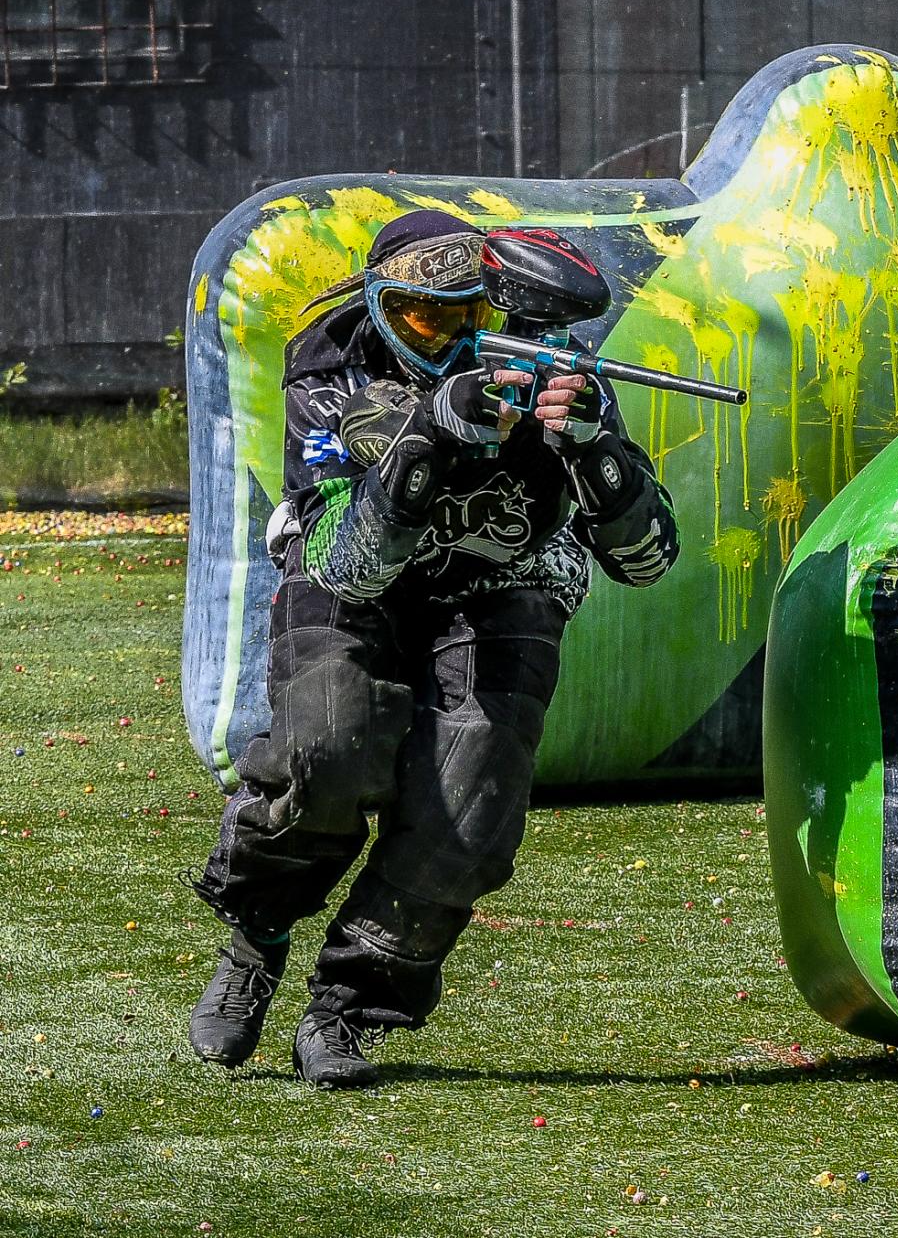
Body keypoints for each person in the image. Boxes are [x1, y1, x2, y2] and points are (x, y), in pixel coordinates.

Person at [183, 209, 680, 1087]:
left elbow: (648, 561)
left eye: (471, 315)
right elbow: (353, 565)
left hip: (505, 581)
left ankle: (345, 1009)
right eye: (424, 317)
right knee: (325, 748)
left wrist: (598, 452)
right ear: (382, 306)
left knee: (471, 809)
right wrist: (432, 431)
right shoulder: (328, 369)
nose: (450, 338)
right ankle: (259, 935)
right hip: (350, 573)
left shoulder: (546, 368)